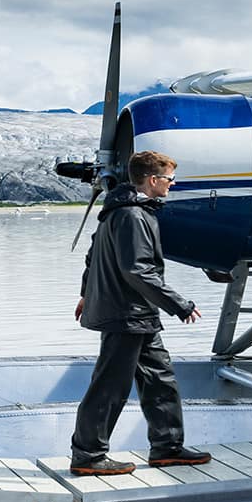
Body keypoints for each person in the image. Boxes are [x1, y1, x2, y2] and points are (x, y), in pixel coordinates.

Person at [69, 150, 211, 475]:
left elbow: (93, 257)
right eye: (169, 179)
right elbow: (138, 270)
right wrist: (180, 305)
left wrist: (85, 295)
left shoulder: (119, 211)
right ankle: (88, 456)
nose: (172, 184)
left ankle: (167, 448)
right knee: (110, 386)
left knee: (160, 380)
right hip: (126, 314)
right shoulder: (132, 216)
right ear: (153, 180)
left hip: (138, 315)